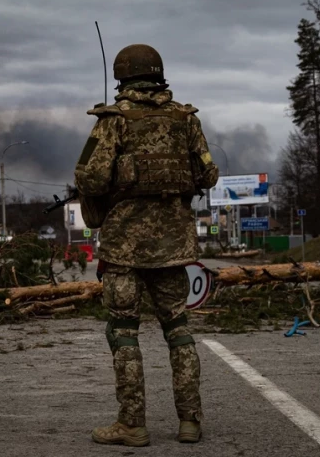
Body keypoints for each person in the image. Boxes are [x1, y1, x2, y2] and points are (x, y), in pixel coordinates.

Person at [73, 43, 219, 447]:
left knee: (123, 332)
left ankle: (132, 424)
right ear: (158, 74)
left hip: (124, 247)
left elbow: (90, 178)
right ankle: (190, 420)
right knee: (178, 330)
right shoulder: (185, 120)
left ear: (122, 77)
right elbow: (208, 174)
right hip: (174, 245)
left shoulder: (113, 121)